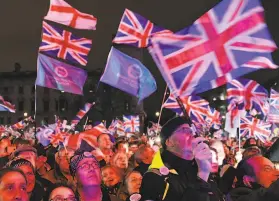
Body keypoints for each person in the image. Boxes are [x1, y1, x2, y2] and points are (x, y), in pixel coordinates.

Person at [137, 116, 223, 201]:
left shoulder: (198, 168)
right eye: (185, 130)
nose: (193, 133)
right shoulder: (154, 177)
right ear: (169, 142)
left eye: (192, 130)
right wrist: (202, 176)